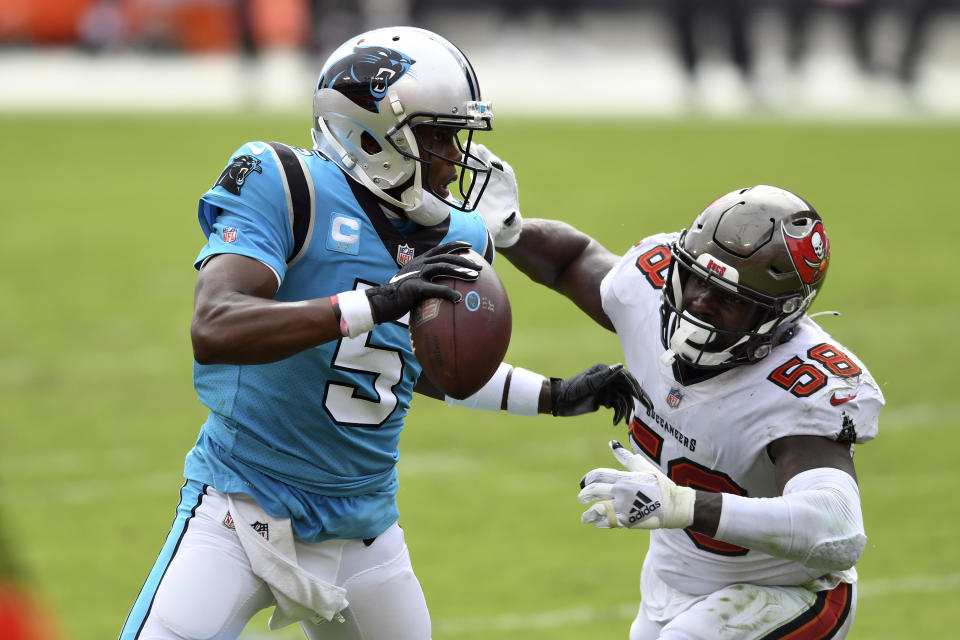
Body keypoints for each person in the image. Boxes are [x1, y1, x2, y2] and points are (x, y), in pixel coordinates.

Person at [118, 26, 642, 640]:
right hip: (240, 506)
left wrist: (554, 396)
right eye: (438, 135)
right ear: (367, 133)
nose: (456, 157)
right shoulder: (285, 181)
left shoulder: (462, 237)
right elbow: (216, 325)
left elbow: (413, 365)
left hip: (362, 528)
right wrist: (378, 300)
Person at [498, 183, 884, 639]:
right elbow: (573, 259)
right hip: (672, 580)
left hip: (789, 594)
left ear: (777, 316)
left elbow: (838, 531)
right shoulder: (649, 294)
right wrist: (507, 231)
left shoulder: (797, 385)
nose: (700, 301)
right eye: (696, 278)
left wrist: (684, 504)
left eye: (728, 299)